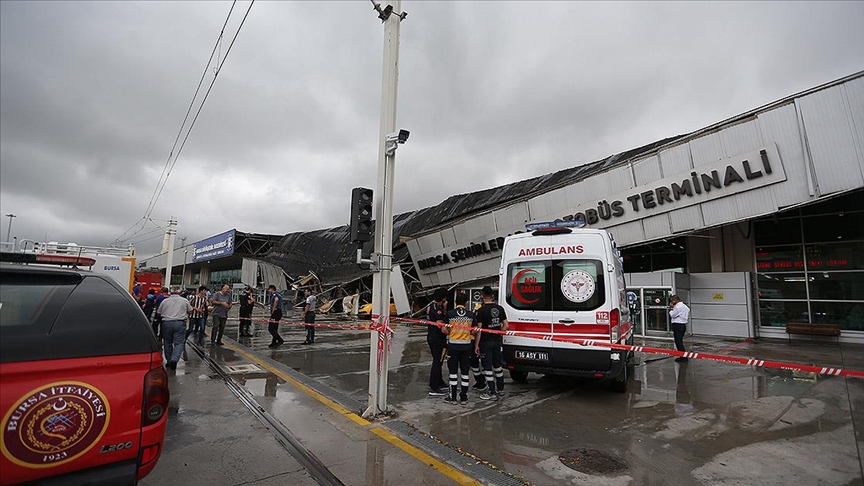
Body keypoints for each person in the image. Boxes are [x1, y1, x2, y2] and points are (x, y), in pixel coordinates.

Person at [474, 285, 508, 400]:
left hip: (485, 342)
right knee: (498, 365)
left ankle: (492, 392)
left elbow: (479, 330)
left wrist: (476, 345)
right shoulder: (500, 308)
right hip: (497, 341)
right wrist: (498, 332)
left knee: (487, 367)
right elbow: (506, 325)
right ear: (492, 296)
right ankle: (501, 389)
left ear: (482, 296)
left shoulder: (481, 311)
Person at [443, 293, 476, 404]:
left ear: (455, 302)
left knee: (453, 372)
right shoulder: (470, 314)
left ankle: (453, 397)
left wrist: (451, 331)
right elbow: (474, 331)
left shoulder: (450, 314)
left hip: (453, 346)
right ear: (466, 303)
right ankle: (464, 397)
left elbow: (445, 330)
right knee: (465, 372)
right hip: (466, 346)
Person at [158, 287, 194, 370]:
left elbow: (159, 312)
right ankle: (174, 360)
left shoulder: (165, 301)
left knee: (167, 343)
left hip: (167, 323)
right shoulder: (184, 301)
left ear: (170, 292)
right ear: (180, 293)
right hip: (180, 323)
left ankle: (169, 360)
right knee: (179, 343)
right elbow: (190, 311)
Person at [427, 288, 449, 397]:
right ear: (443, 298)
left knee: (438, 361)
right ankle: (434, 386)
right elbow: (441, 326)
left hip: (431, 336)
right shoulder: (438, 310)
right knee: (437, 360)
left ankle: (439, 381)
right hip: (438, 338)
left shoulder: (431, 306)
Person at [669, 295, 691, 362]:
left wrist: (671, 309)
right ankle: (683, 356)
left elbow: (672, 315)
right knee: (680, 341)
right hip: (683, 325)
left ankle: (683, 357)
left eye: (672, 301)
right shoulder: (685, 306)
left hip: (677, 325)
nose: (671, 302)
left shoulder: (677, 307)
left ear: (675, 300)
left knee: (678, 342)